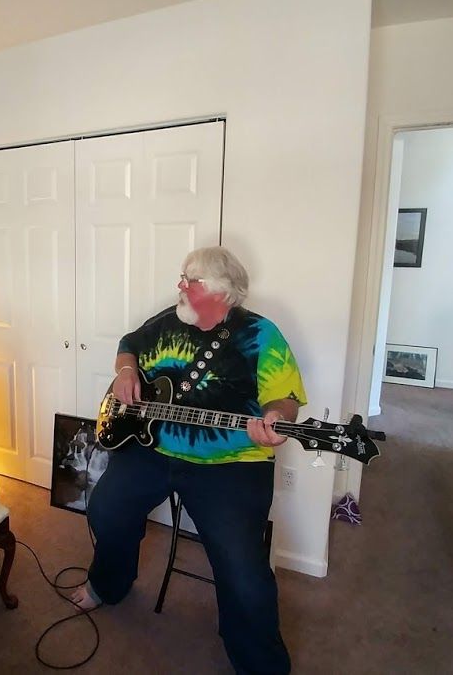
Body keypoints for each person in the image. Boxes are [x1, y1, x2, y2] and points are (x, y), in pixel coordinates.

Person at [71, 246, 306, 675]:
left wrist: (275, 419)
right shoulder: (167, 320)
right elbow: (128, 344)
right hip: (152, 448)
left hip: (231, 464)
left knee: (243, 569)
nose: (179, 285)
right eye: (182, 276)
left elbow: (284, 400)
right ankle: (109, 582)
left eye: (190, 280)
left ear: (222, 292)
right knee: (105, 509)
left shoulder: (261, 335)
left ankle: (259, 663)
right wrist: (126, 372)